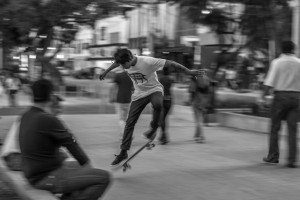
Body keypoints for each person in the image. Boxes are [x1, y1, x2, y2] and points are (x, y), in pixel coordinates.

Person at [99, 48, 200, 167]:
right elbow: (117, 62)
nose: (123, 67)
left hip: (154, 90)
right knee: (129, 122)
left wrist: (189, 72)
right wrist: (106, 72)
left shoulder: (148, 61)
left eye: (124, 64)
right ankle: (123, 152)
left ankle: (152, 129)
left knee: (158, 104)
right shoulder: (124, 61)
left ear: (130, 59)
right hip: (139, 94)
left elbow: (172, 63)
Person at [18, 79, 111, 199]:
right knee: (103, 177)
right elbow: (72, 144)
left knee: (75, 167)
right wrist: (88, 167)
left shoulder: (26, 115)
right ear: (51, 96)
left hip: (33, 173)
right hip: (46, 177)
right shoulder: (48, 119)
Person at [261, 41, 300, 168]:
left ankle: (273, 156)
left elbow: (269, 82)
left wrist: (262, 97)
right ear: (293, 49)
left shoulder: (277, 62)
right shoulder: (299, 63)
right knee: (292, 129)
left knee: (275, 127)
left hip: (280, 97)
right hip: (296, 98)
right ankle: (292, 160)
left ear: (282, 49)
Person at [188, 69, 211, 143]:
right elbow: (208, 91)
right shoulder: (206, 79)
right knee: (200, 119)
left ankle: (201, 137)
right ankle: (196, 135)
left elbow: (191, 91)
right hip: (204, 100)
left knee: (198, 120)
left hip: (196, 100)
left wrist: (190, 100)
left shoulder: (194, 79)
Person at [112, 70, 133, 139]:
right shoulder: (132, 76)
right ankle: (126, 134)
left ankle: (125, 135)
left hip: (119, 99)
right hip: (128, 100)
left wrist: (112, 97)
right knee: (126, 119)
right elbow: (133, 89)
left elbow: (114, 87)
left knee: (121, 119)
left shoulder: (118, 75)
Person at [157, 66, 175, 145]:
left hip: (162, 100)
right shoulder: (171, 79)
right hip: (169, 100)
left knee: (162, 119)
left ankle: (164, 137)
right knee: (164, 118)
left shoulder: (160, 79)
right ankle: (162, 136)